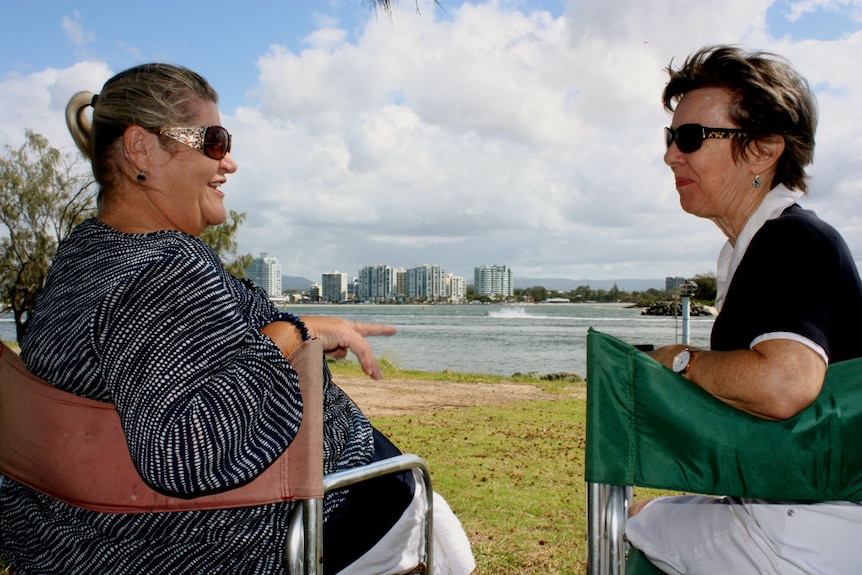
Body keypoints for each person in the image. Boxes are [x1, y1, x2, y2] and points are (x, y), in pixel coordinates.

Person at [0, 63, 475, 575]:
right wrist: (294, 334)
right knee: (444, 535)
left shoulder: (84, 257)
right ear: (141, 149)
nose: (228, 163)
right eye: (214, 141)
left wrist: (293, 331)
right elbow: (181, 449)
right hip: (283, 529)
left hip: (85, 534)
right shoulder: (163, 271)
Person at [624, 45, 862, 574]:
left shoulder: (791, 241)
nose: (670, 155)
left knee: (630, 522)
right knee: (646, 514)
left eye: (690, 138)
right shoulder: (755, 246)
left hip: (820, 525)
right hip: (798, 505)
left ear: (764, 149)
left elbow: (783, 385)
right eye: (671, 137)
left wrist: (680, 361)